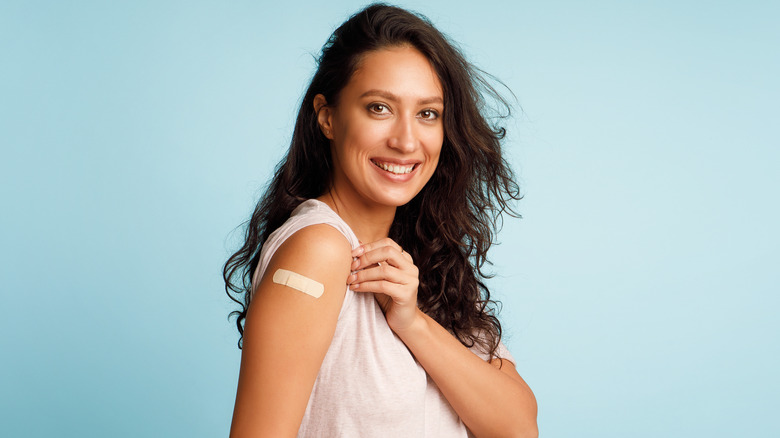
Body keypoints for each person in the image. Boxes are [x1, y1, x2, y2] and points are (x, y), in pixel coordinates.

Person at [224, 4, 538, 437]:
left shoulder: (428, 259)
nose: (406, 140)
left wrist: (412, 322)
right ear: (327, 116)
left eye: (427, 113)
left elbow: (519, 427)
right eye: (379, 108)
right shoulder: (318, 250)